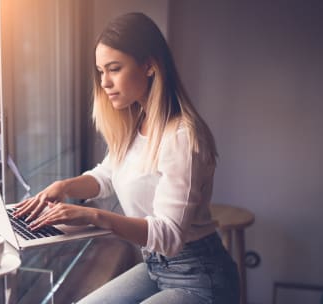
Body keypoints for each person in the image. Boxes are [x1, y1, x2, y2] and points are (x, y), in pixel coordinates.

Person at [14, 12, 240, 304]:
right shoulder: (137, 122)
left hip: (200, 277)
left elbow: (170, 235)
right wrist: (65, 186)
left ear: (149, 65)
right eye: (100, 71)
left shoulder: (182, 137)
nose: (105, 82)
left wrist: (92, 215)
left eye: (114, 69)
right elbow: (107, 174)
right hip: (156, 267)